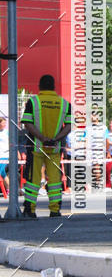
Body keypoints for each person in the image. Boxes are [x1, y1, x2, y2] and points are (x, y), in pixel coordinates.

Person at [21, 74, 71, 218]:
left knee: (33, 179)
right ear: (53, 86)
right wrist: (56, 138)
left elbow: (27, 123)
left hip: (36, 147)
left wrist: (42, 138)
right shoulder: (64, 104)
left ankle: (30, 210)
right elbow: (69, 126)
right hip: (54, 148)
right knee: (55, 180)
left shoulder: (33, 101)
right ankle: (55, 210)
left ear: (40, 86)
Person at [0, 116, 8, 193]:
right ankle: (10, 189)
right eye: (3, 123)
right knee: (3, 174)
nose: (5, 124)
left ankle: (9, 190)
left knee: (0, 171)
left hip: (4, 155)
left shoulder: (7, 132)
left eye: (5, 123)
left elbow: (11, 143)